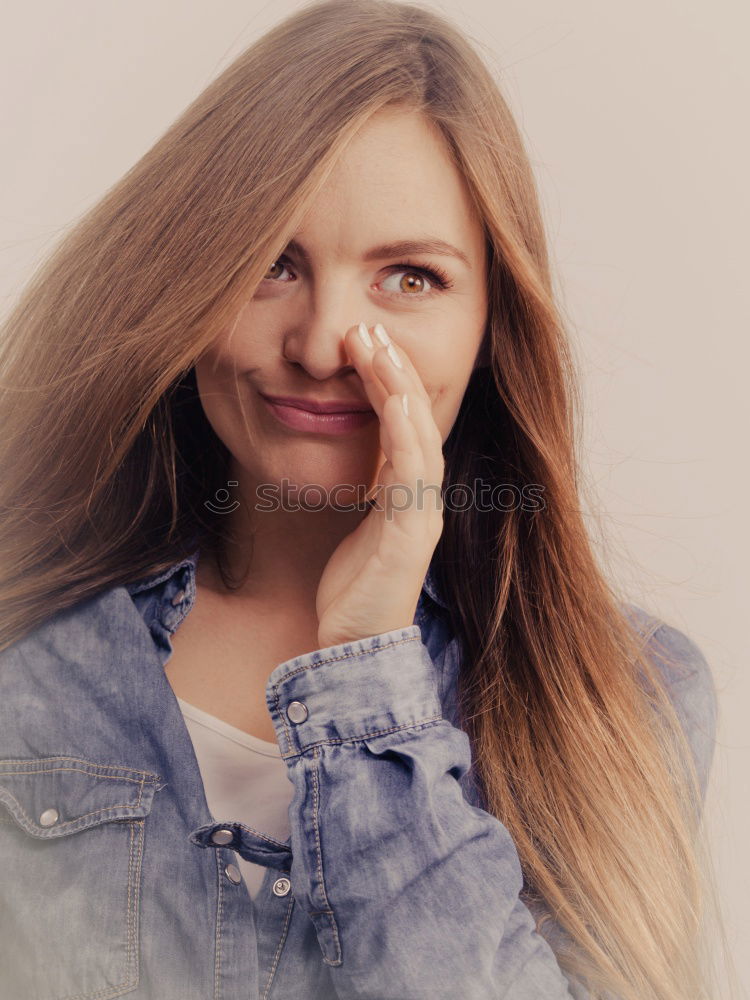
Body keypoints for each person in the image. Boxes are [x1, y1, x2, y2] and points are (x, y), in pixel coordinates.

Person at [0, 1, 723, 998]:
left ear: (490, 322)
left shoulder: (628, 701)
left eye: (410, 277)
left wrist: (367, 661)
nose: (325, 338)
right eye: (271, 263)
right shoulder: (26, 656)